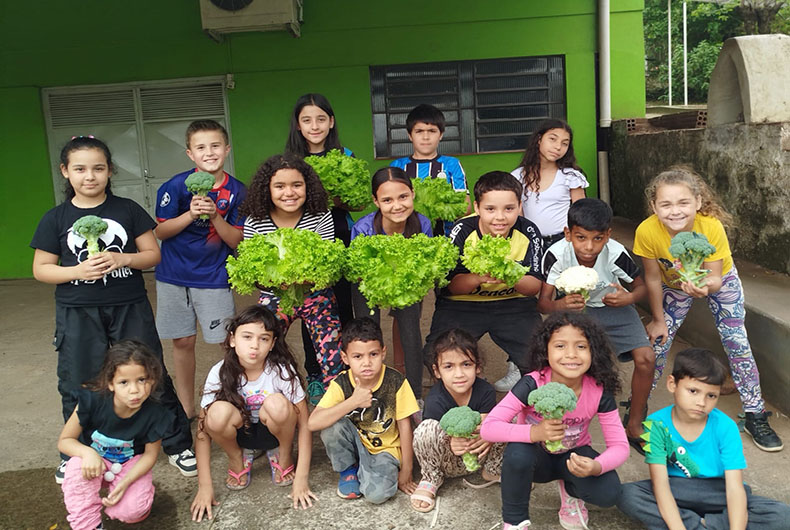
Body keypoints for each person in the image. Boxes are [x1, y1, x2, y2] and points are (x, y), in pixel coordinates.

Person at [30, 136, 194, 483]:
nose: (90, 176)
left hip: (128, 305)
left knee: (151, 373)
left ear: (109, 171)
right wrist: (77, 271)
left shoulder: (128, 210)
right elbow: (41, 269)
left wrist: (123, 259)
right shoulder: (56, 218)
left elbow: (152, 255)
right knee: (79, 381)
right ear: (65, 171)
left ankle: (177, 444)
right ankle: (75, 452)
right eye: (80, 169)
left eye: (98, 168)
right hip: (77, 310)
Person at [634, 165, 782, 452]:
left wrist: (705, 288)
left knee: (736, 342)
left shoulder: (710, 226)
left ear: (698, 202)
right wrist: (658, 319)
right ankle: (638, 409)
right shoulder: (647, 231)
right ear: (654, 206)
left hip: (719, 281)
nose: (675, 211)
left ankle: (755, 414)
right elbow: (652, 278)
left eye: (683, 203)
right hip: (674, 285)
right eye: (666, 204)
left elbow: (715, 277)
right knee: (657, 342)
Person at [481, 312, 628, 530]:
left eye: (581, 346)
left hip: (573, 458)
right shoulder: (532, 383)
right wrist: (534, 433)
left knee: (609, 493)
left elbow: (620, 446)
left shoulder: (599, 391)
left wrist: (597, 466)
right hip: (535, 458)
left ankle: (571, 492)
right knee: (517, 455)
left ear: (593, 352)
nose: (571, 354)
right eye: (560, 346)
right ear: (545, 350)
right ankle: (514, 521)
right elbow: (489, 428)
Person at [618, 348, 790, 529]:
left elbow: (734, 488)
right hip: (677, 489)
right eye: (693, 391)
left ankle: (704, 523)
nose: (702, 402)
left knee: (782, 515)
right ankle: (703, 523)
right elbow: (661, 486)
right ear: (672, 384)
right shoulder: (656, 425)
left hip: (718, 492)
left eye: (711, 395)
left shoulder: (726, 426)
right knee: (627, 495)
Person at [538, 198, 654, 453]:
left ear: (608, 235)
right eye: (581, 238)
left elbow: (641, 287)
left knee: (646, 358)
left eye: (598, 239)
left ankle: (634, 425)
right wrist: (560, 305)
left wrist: (628, 298)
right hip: (573, 311)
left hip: (614, 307)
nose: (589, 247)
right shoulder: (556, 255)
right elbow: (543, 304)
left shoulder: (616, 253)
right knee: (567, 364)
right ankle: (560, 424)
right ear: (568, 234)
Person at [153, 119, 246, 422]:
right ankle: (186, 407)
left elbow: (236, 241)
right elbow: (161, 232)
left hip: (213, 276)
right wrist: (189, 214)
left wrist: (216, 216)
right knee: (182, 341)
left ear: (227, 149)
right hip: (173, 275)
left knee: (227, 342)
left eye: (215, 146)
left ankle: (233, 398)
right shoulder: (176, 186)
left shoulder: (238, 191)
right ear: (190, 153)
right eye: (201, 147)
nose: (209, 153)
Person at [190, 306, 315, 522]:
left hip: (275, 431)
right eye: (247, 337)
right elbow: (202, 431)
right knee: (216, 413)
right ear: (232, 339)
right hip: (240, 434)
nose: (254, 345)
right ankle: (236, 457)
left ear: (272, 343)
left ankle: (284, 454)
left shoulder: (281, 371)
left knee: (277, 404)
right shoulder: (219, 372)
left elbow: (305, 423)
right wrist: (204, 486)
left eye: (263, 338)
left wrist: (302, 478)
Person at [422, 171, 543, 393]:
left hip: (513, 303)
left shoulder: (529, 231)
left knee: (540, 358)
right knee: (435, 354)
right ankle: (470, 386)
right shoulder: (462, 230)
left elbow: (534, 286)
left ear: (519, 206)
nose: (500, 217)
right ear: (477, 207)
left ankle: (525, 387)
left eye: (509, 208)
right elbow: (450, 286)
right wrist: (478, 277)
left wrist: (509, 275)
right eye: (490, 209)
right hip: (463, 304)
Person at [240, 153, 344, 404]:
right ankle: (266, 397)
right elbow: (253, 271)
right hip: (275, 295)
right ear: (267, 189)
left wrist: (303, 279)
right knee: (261, 343)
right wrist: (276, 282)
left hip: (316, 294)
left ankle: (337, 402)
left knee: (333, 354)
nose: (289, 192)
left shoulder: (320, 216)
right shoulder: (255, 222)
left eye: (297, 185)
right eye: (279, 186)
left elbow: (327, 266)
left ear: (308, 187)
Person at [58, 340, 173, 530]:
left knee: (132, 511)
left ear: (152, 379)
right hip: (95, 464)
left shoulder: (156, 414)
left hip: (129, 465)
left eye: (142, 380)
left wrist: (126, 483)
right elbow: (65, 441)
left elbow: (150, 455)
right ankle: (89, 524)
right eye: (124, 382)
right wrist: (88, 453)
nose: (134, 390)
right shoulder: (92, 400)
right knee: (76, 467)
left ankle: (133, 501)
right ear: (110, 383)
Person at [285, 93, 355, 401]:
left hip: (339, 233)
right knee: (310, 304)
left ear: (331, 122)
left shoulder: (346, 155)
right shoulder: (291, 160)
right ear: (298, 125)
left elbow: (357, 201)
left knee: (342, 304)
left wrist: (333, 197)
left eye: (321, 119)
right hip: (305, 237)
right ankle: (315, 374)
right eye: (307, 120)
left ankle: (346, 368)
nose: (314, 126)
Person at [307, 317, 419, 504]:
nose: (366, 362)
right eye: (358, 356)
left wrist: (407, 470)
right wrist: (353, 401)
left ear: (383, 353)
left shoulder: (396, 381)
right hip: (356, 443)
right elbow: (313, 423)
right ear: (345, 358)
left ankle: (368, 472)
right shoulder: (342, 383)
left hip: (385, 451)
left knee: (377, 495)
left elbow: (405, 427)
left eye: (373, 354)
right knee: (331, 426)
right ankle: (349, 470)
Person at [350, 166, 433, 402]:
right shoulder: (363, 228)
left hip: (407, 283)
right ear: (375, 201)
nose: (397, 206)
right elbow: (357, 271)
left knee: (410, 331)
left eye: (403, 197)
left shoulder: (422, 224)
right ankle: (367, 390)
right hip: (368, 283)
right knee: (366, 333)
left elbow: (426, 266)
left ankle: (414, 395)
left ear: (413, 194)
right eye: (387, 200)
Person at [410, 328, 504, 513]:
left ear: (478, 366)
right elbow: (432, 440)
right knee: (425, 429)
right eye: (449, 366)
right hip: (448, 462)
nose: (459, 374)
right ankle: (431, 478)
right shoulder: (436, 399)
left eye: (466, 364)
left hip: (480, 454)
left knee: (507, 418)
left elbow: (487, 423)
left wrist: (488, 434)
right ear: (437, 371)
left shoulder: (485, 390)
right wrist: (450, 441)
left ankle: (493, 470)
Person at [389, 103, 470, 235]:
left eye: (432, 131)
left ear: (441, 134)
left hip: (446, 239)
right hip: (406, 239)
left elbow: (466, 207)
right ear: (410, 135)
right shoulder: (397, 166)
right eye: (419, 131)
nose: (426, 137)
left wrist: (428, 211)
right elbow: (389, 205)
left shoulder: (452, 164)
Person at [510, 118, 588, 249]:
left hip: (563, 242)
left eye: (565, 143)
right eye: (552, 139)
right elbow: (516, 213)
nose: (558, 147)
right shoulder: (517, 176)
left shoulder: (571, 176)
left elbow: (582, 213)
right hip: (529, 241)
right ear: (539, 139)